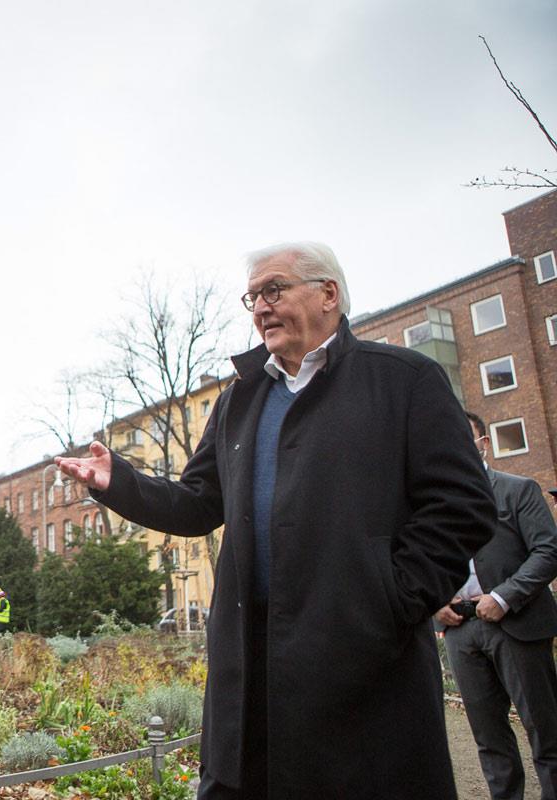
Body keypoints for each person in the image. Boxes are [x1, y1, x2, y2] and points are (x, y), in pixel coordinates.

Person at [56, 242, 495, 799]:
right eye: (253, 297)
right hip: (249, 658)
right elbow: (197, 503)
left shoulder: (404, 381)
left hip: (361, 659)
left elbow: (462, 506)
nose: (260, 306)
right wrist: (118, 481)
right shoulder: (242, 398)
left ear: (328, 294)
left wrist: (388, 597)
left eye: (274, 289)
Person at [434, 412, 557, 800]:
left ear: (483, 442)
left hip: (516, 623)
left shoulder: (518, 490)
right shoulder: (435, 507)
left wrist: (504, 596)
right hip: (461, 631)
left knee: (545, 733)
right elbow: (425, 563)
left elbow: (548, 550)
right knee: (489, 741)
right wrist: (436, 602)